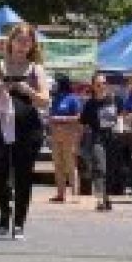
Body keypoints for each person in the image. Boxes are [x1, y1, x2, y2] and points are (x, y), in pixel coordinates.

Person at [0, 24, 50, 239]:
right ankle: (4, 211)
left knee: (24, 175)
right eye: (19, 40)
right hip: (0, 126)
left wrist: (29, 90)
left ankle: (19, 223)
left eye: (27, 41)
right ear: (11, 42)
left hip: (28, 128)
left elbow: (45, 101)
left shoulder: (36, 69)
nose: (23, 45)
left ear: (32, 45)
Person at [79, 75, 121, 213]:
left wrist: (120, 127)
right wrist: (80, 143)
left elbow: (122, 115)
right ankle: (100, 199)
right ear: (93, 86)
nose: (101, 86)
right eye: (98, 84)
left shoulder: (115, 100)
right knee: (99, 167)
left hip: (113, 138)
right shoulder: (89, 104)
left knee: (111, 169)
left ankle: (106, 196)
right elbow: (83, 124)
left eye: (103, 83)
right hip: (97, 138)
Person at [48, 75, 83, 204]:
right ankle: (60, 193)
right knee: (58, 165)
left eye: (57, 83)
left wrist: (62, 119)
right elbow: (51, 115)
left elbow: (78, 117)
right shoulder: (55, 99)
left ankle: (75, 194)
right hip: (56, 135)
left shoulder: (73, 98)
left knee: (70, 164)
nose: (55, 85)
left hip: (70, 135)